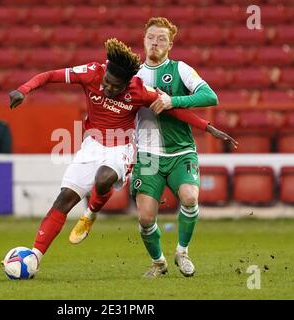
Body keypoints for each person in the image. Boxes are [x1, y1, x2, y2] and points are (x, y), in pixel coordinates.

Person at [8, 38, 216, 269]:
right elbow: (49, 76)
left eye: (115, 87)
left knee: (103, 177)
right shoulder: (90, 73)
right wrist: (23, 90)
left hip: (121, 148)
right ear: (105, 71)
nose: (108, 88)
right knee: (64, 198)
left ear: (127, 83)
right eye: (107, 82)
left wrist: (206, 126)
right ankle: (35, 256)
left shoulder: (140, 90)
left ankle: (90, 213)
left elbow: (172, 111)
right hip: (92, 145)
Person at [69, 19, 238, 278]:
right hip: (147, 155)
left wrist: (173, 101)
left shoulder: (181, 69)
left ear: (170, 44)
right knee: (146, 218)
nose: (155, 43)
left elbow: (210, 96)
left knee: (190, 198)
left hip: (181, 150)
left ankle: (182, 251)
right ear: (144, 39)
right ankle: (159, 262)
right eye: (151, 38)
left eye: (161, 39)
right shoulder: (132, 75)